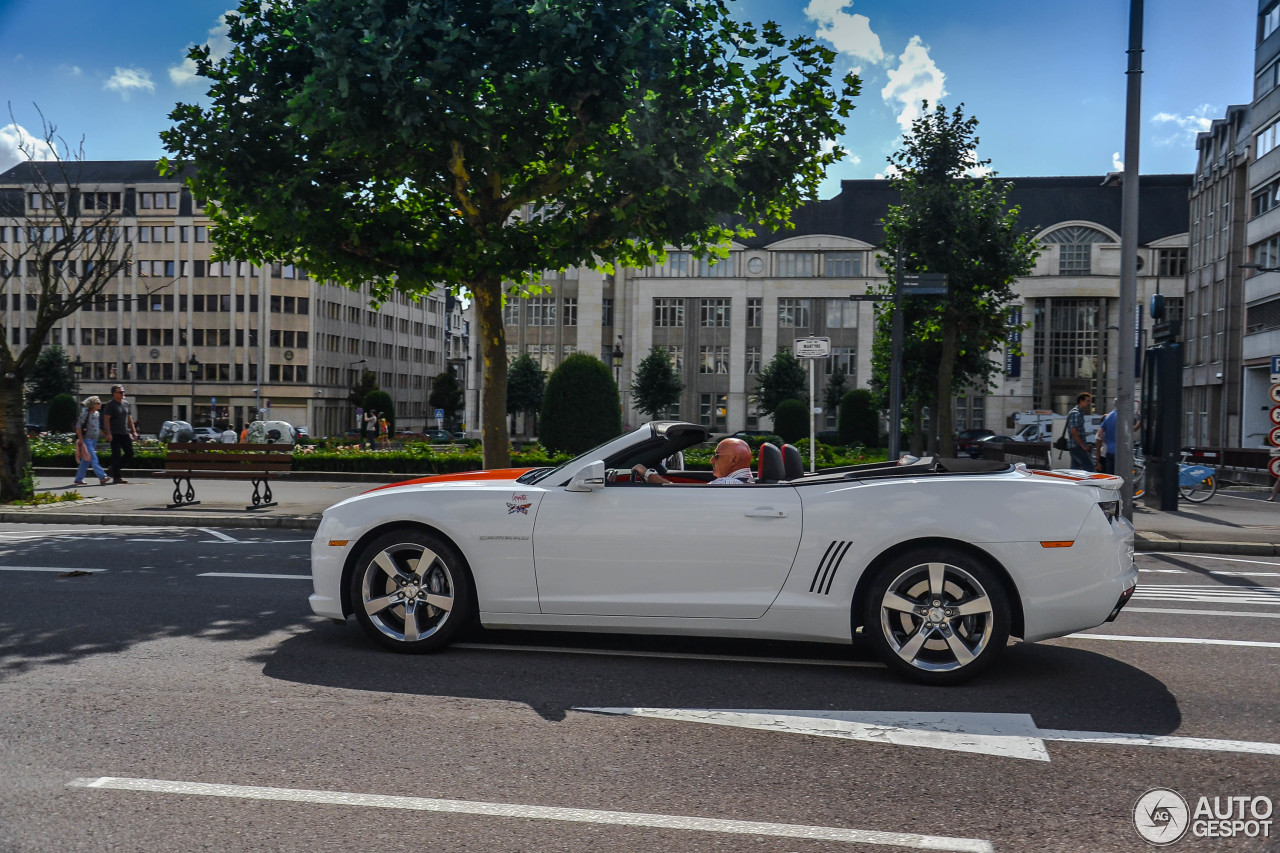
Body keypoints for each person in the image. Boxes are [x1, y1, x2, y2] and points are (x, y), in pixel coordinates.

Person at [633, 437, 754, 485]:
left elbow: (679, 493)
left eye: (717, 456)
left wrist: (647, 474)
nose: (711, 460)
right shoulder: (747, 482)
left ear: (734, 460)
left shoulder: (726, 484)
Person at [100, 384, 138, 485]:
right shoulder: (110, 405)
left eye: (123, 392)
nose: (123, 394)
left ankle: (113, 468)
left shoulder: (125, 403)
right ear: (114, 394)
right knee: (116, 455)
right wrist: (108, 433)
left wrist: (133, 431)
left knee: (130, 453)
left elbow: (129, 418)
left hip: (124, 432)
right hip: (114, 433)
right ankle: (117, 477)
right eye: (120, 392)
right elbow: (106, 419)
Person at [72, 396, 110, 486]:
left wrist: (103, 434)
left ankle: (78, 479)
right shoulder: (85, 413)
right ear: (92, 405)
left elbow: (96, 426)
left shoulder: (97, 414)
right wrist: (81, 440)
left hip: (94, 440)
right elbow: (78, 426)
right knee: (93, 458)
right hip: (86, 440)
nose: (100, 404)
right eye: (98, 403)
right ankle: (102, 477)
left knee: (86, 460)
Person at [1065, 391, 1094, 472]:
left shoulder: (1078, 413)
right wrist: (1082, 446)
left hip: (1075, 447)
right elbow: (1074, 432)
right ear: (1081, 401)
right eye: (1087, 401)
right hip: (1077, 447)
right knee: (1090, 469)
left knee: (1075, 471)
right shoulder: (1076, 413)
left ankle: (1071, 483)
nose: (1089, 403)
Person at [1098, 399, 1118, 474]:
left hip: (1109, 451)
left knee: (1110, 475)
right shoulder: (1123, 417)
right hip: (1120, 452)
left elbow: (1100, 433)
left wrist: (1107, 442)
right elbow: (1132, 430)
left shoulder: (1108, 416)